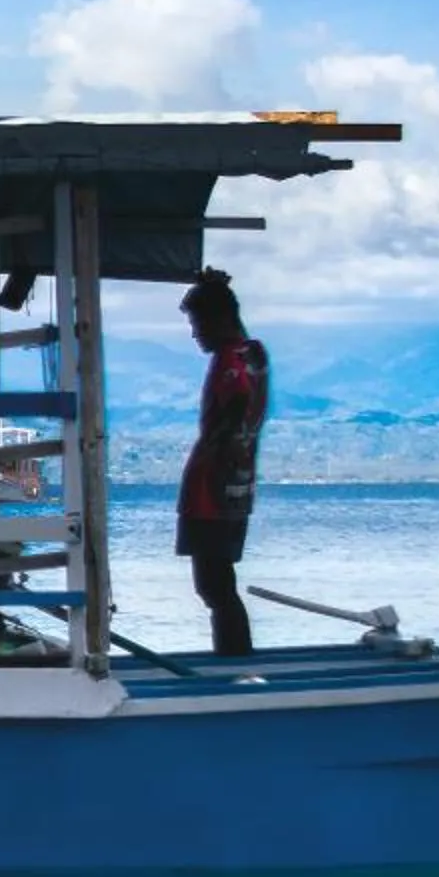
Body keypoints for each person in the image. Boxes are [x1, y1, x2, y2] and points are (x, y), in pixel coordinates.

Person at [176, 268, 269, 658]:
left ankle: (233, 658)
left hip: (212, 489)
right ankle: (233, 655)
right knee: (219, 584)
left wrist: (216, 450)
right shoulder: (251, 355)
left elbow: (234, 409)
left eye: (199, 323)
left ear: (218, 320)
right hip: (234, 486)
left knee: (213, 585)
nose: (196, 333)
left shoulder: (232, 363)